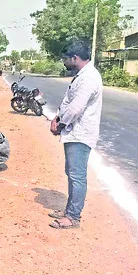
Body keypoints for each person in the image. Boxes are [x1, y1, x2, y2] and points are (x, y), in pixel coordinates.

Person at [49, 40, 103, 229]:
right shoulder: (82, 75)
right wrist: (57, 118)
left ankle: (73, 217)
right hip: (74, 132)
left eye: (66, 59)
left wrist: (61, 124)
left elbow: (76, 108)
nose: (64, 62)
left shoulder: (89, 78)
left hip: (80, 133)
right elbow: (68, 102)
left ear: (75, 58)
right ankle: (69, 210)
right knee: (72, 173)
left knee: (77, 175)